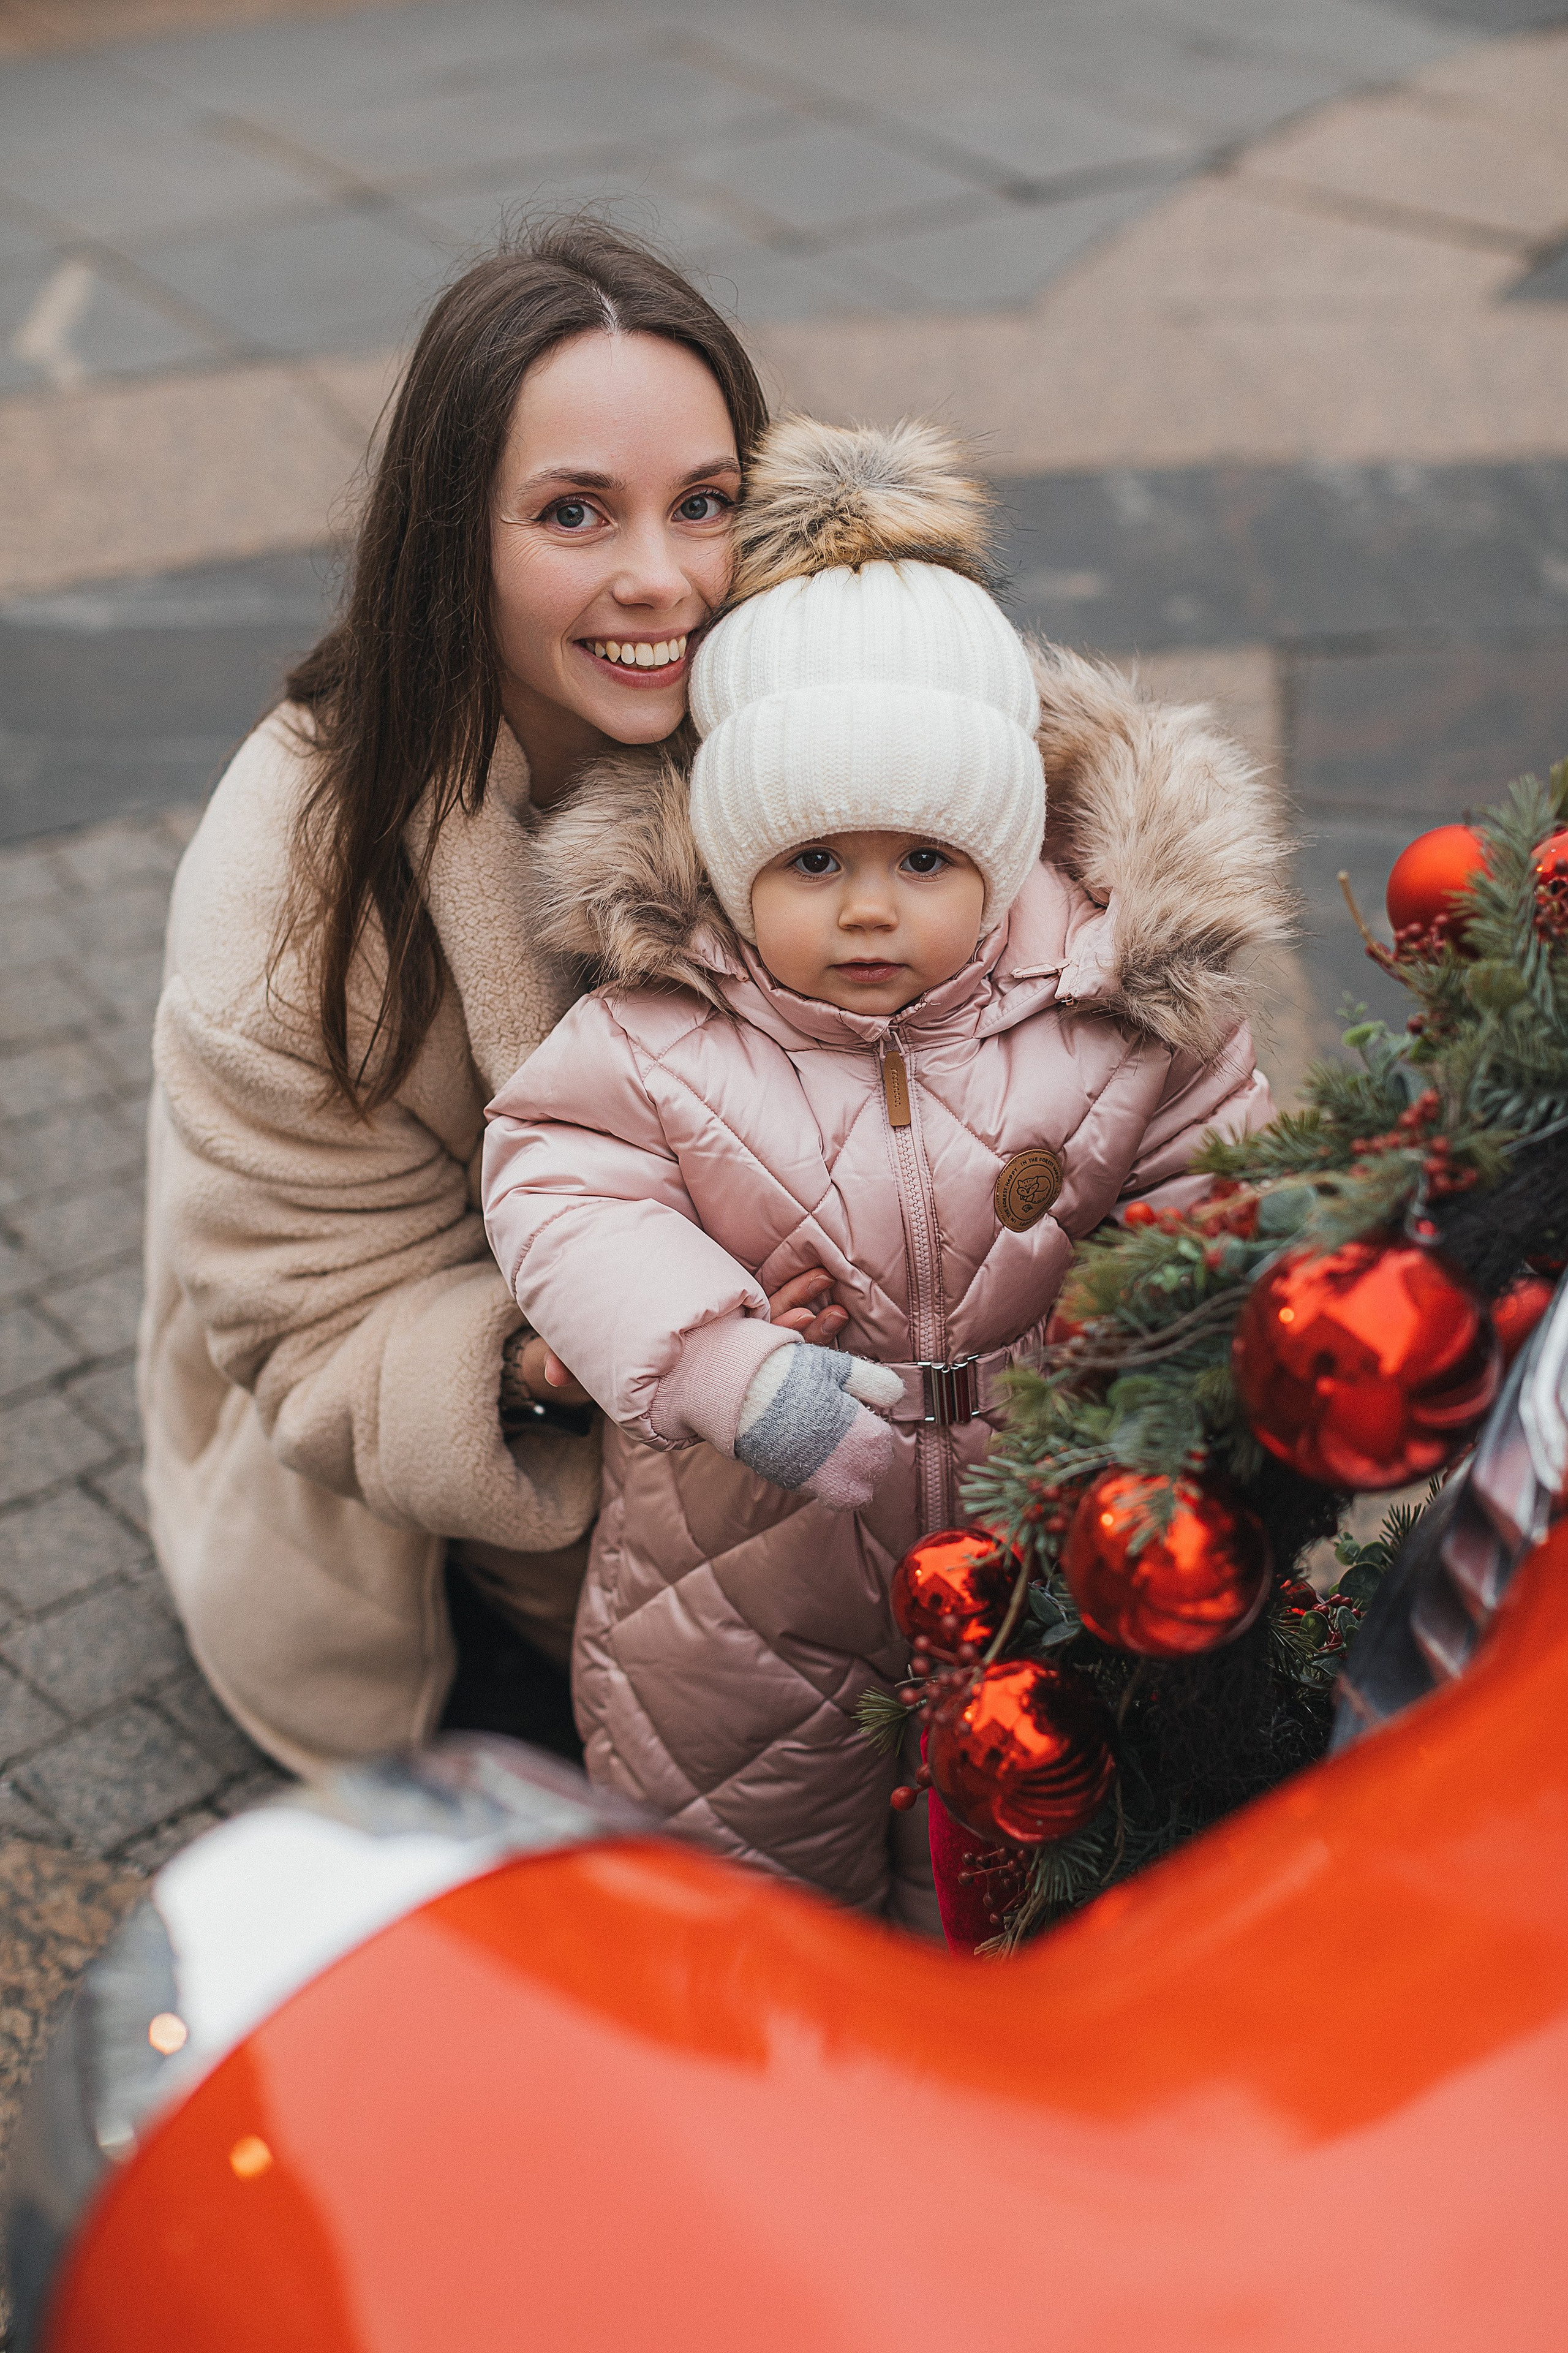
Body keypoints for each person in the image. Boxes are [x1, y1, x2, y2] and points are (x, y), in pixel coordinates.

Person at [480, 416, 1292, 1929]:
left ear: (1000, 850)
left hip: (1039, 1559)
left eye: (922, 861)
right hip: (736, 1584)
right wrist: (723, 1361)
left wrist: (1151, 1330)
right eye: (811, 863)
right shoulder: (659, 1033)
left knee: (1027, 1865)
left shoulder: (1109, 1013)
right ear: (731, 864)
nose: (868, 911)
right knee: (744, 1889)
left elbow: (1215, 1177)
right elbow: (558, 1186)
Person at [137, 222, 810, 1773]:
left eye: (704, 504)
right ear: (456, 534)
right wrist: (543, 1354)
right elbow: (308, 1320)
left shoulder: (807, 709)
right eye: (575, 513)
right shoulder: (292, 888)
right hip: (482, 1521)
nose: (663, 579)